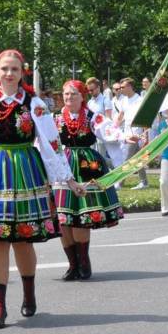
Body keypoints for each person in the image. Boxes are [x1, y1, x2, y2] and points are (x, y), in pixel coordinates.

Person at [0, 49, 86, 329]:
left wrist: (68, 178)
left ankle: (29, 294)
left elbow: (50, 142)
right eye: (4, 69)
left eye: (14, 69)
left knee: (23, 239)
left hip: (25, 170)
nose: (9, 74)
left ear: (23, 72)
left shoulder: (34, 103)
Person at [54, 80, 124, 280]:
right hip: (61, 165)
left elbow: (109, 131)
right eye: (66, 94)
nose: (69, 97)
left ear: (82, 96)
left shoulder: (92, 116)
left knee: (81, 217)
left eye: (74, 94)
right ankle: (72, 264)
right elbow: (43, 140)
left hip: (86, 166)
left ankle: (84, 261)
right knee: (63, 219)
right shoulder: (54, 118)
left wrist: (125, 136)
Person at [116, 78, 147, 189]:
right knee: (137, 159)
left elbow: (144, 118)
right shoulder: (123, 100)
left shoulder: (140, 100)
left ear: (130, 87)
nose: (120, 89)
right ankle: (144, 182)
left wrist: (145, 135)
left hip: (136, 133)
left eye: (122, 87)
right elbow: (121, 115)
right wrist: (114, 127)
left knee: (127, 159)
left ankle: (120, 183)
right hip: (126, 133)